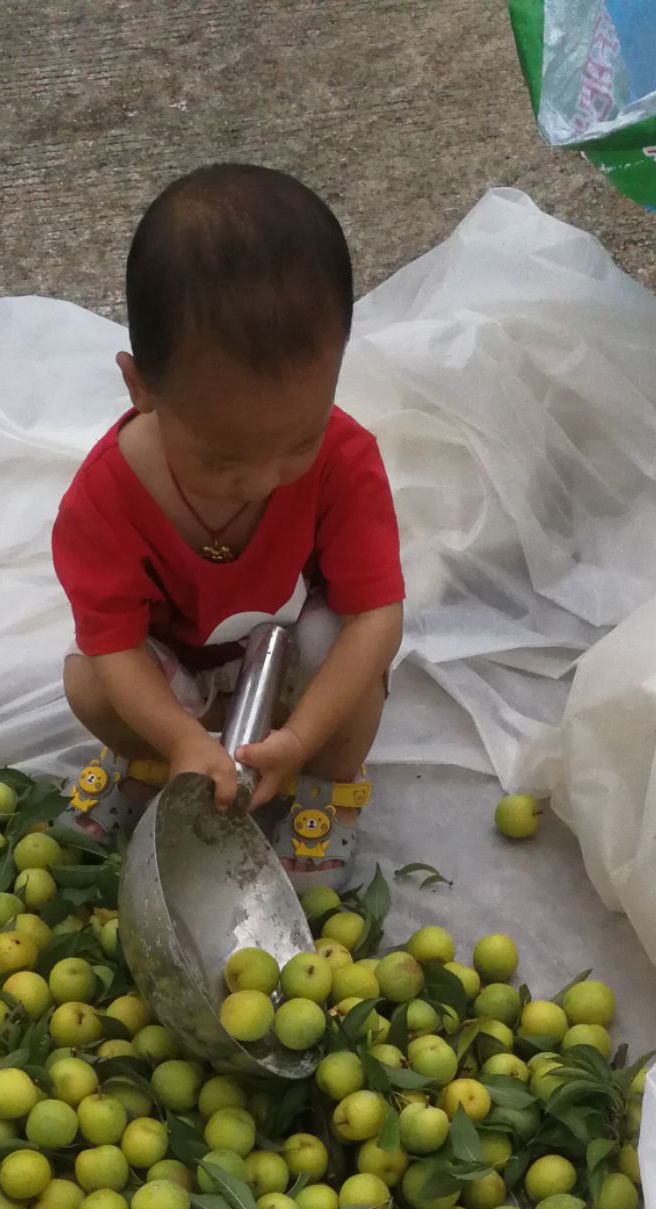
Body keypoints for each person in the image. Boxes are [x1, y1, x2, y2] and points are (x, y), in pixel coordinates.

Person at [51, 163, 404, 887]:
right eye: (222, 460)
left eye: (298, 442)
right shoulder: (103, 500)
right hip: (176, 671)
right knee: (91, 684)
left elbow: (377, 616)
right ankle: (153, 763)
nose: (266, 477)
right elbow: (115, 646)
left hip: (286, 669)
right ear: (139, 387)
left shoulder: (344, 459)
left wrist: (302, 735)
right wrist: (182, 739)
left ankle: (329, 795)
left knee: (352, 663)